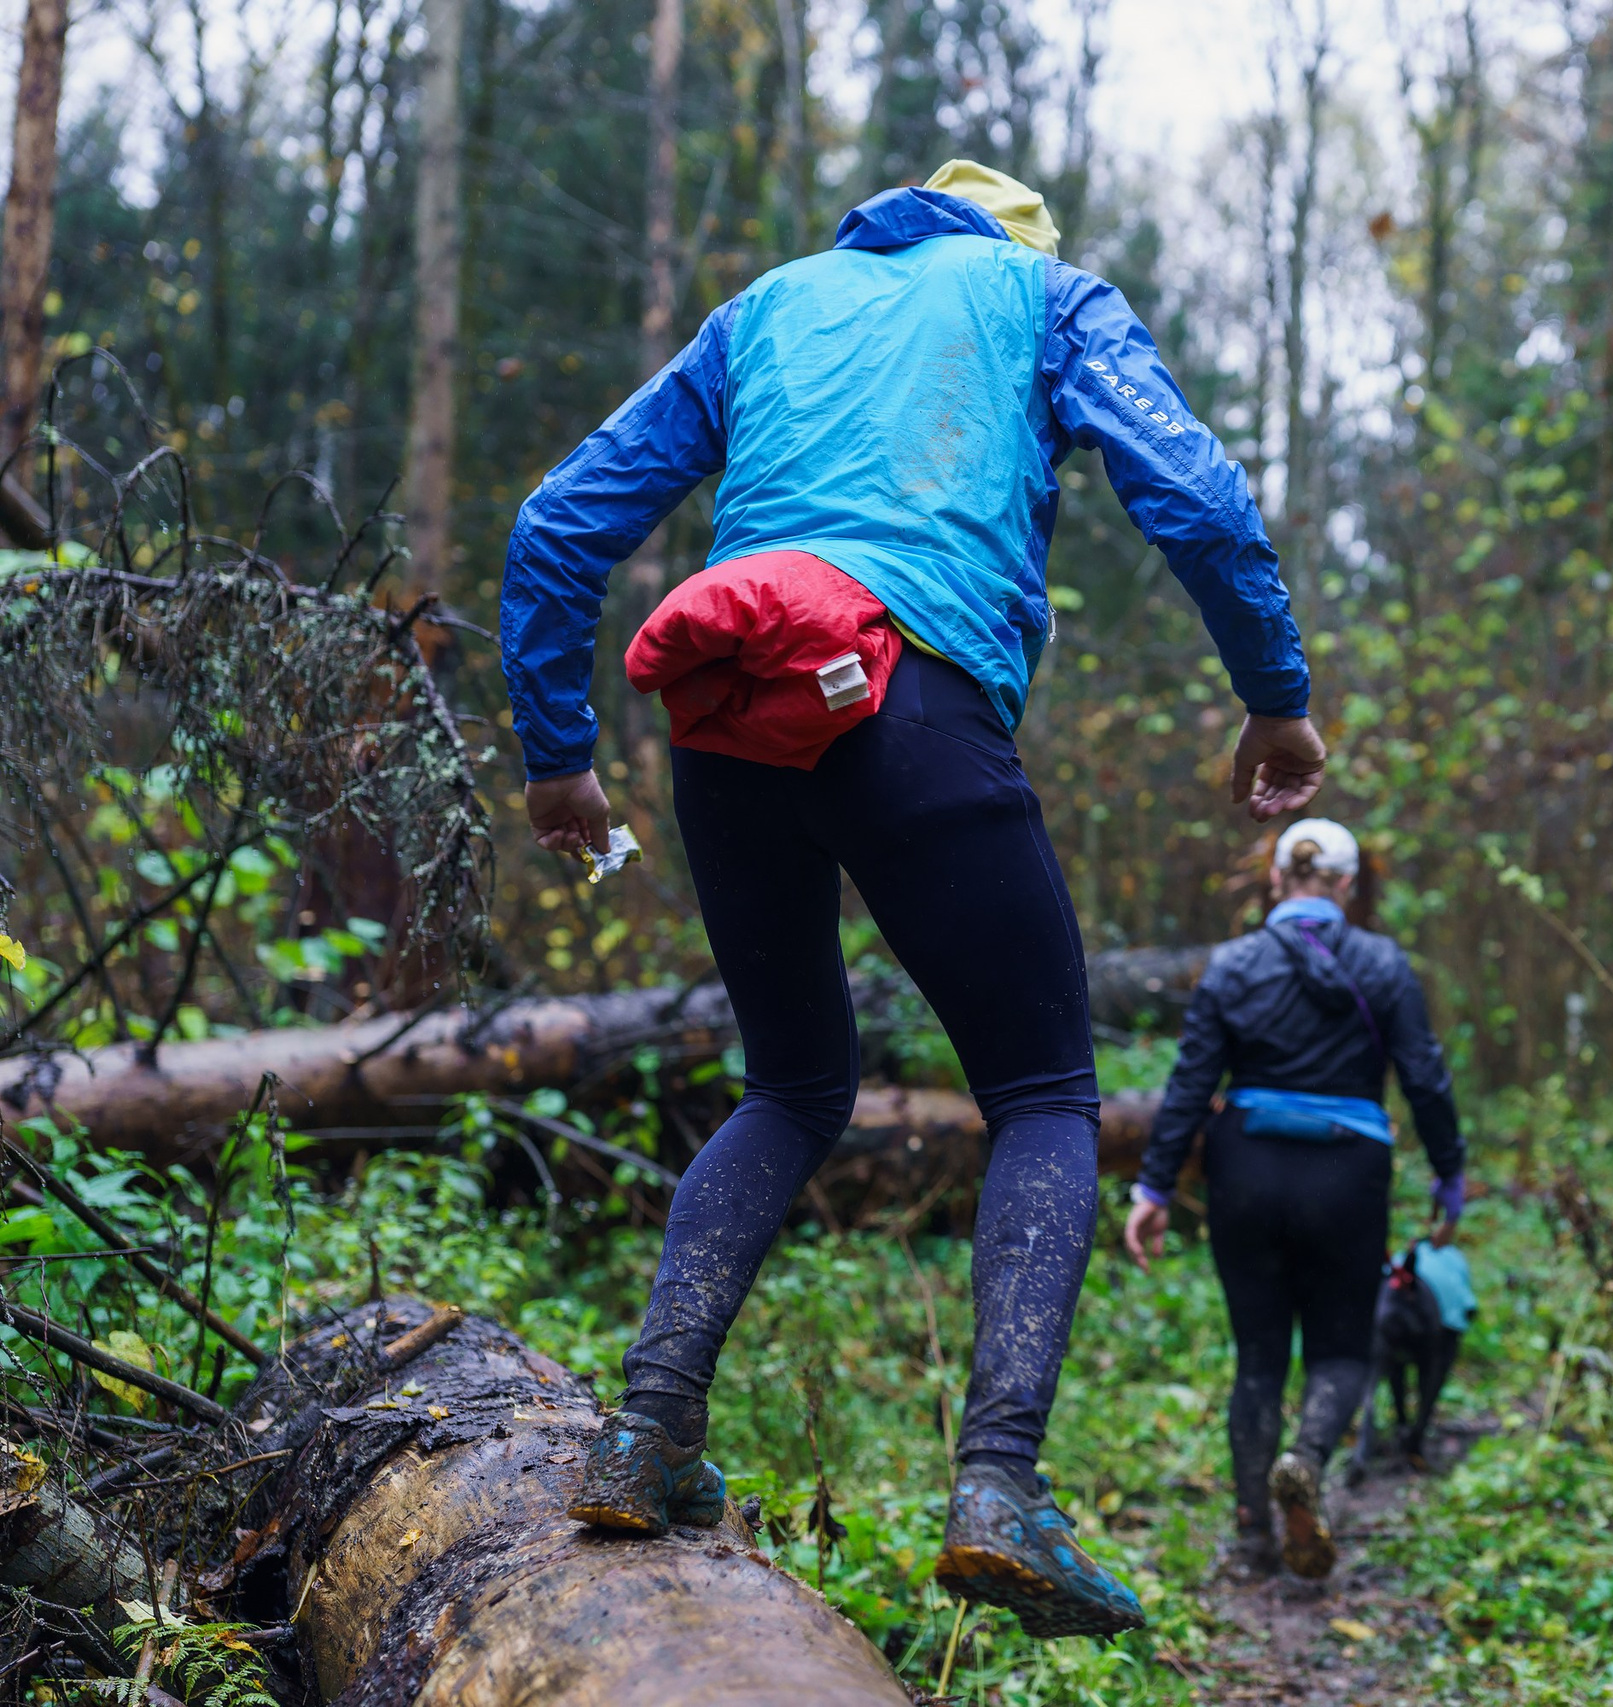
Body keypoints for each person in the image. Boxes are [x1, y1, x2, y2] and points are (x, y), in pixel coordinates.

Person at [499, 160, 1327, 1640]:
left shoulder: (766, 310)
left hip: (723, 721)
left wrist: (559, 756)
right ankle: (999, 1485)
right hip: (912, 700)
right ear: (1016, 241)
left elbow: (558, 522)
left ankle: (642, 1433)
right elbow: (1193, 493)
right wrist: (1276, 698)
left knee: (794, 1080)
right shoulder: (1044, 293)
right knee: (1044, 1089)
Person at [1122, 819, 1466, 1580]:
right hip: (1348, 1174)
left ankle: (1251, 1541)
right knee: (1341, 1350)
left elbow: (1189, 1085)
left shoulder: (1234, 964)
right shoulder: (1382, 962)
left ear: (1276, 878)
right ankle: (1305, 1457)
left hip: (1245, 1170)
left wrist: (1153, 1185)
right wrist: (1450, 1175)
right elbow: (1425, 1077)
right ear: (1346, 886)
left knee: (1258, 1357)